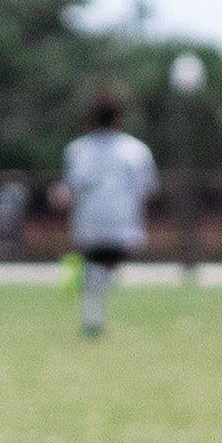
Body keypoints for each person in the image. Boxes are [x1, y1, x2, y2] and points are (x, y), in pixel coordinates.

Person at [54, 86, 156, 337]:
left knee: (96, 268)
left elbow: (68, 189)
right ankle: (95, 315)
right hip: (123, 219)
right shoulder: (136, 150)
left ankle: (92, 317)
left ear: (90, 119)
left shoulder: (78, 149)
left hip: (90, 220)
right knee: (105, 267)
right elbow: (147, 189)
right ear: (120, 119)